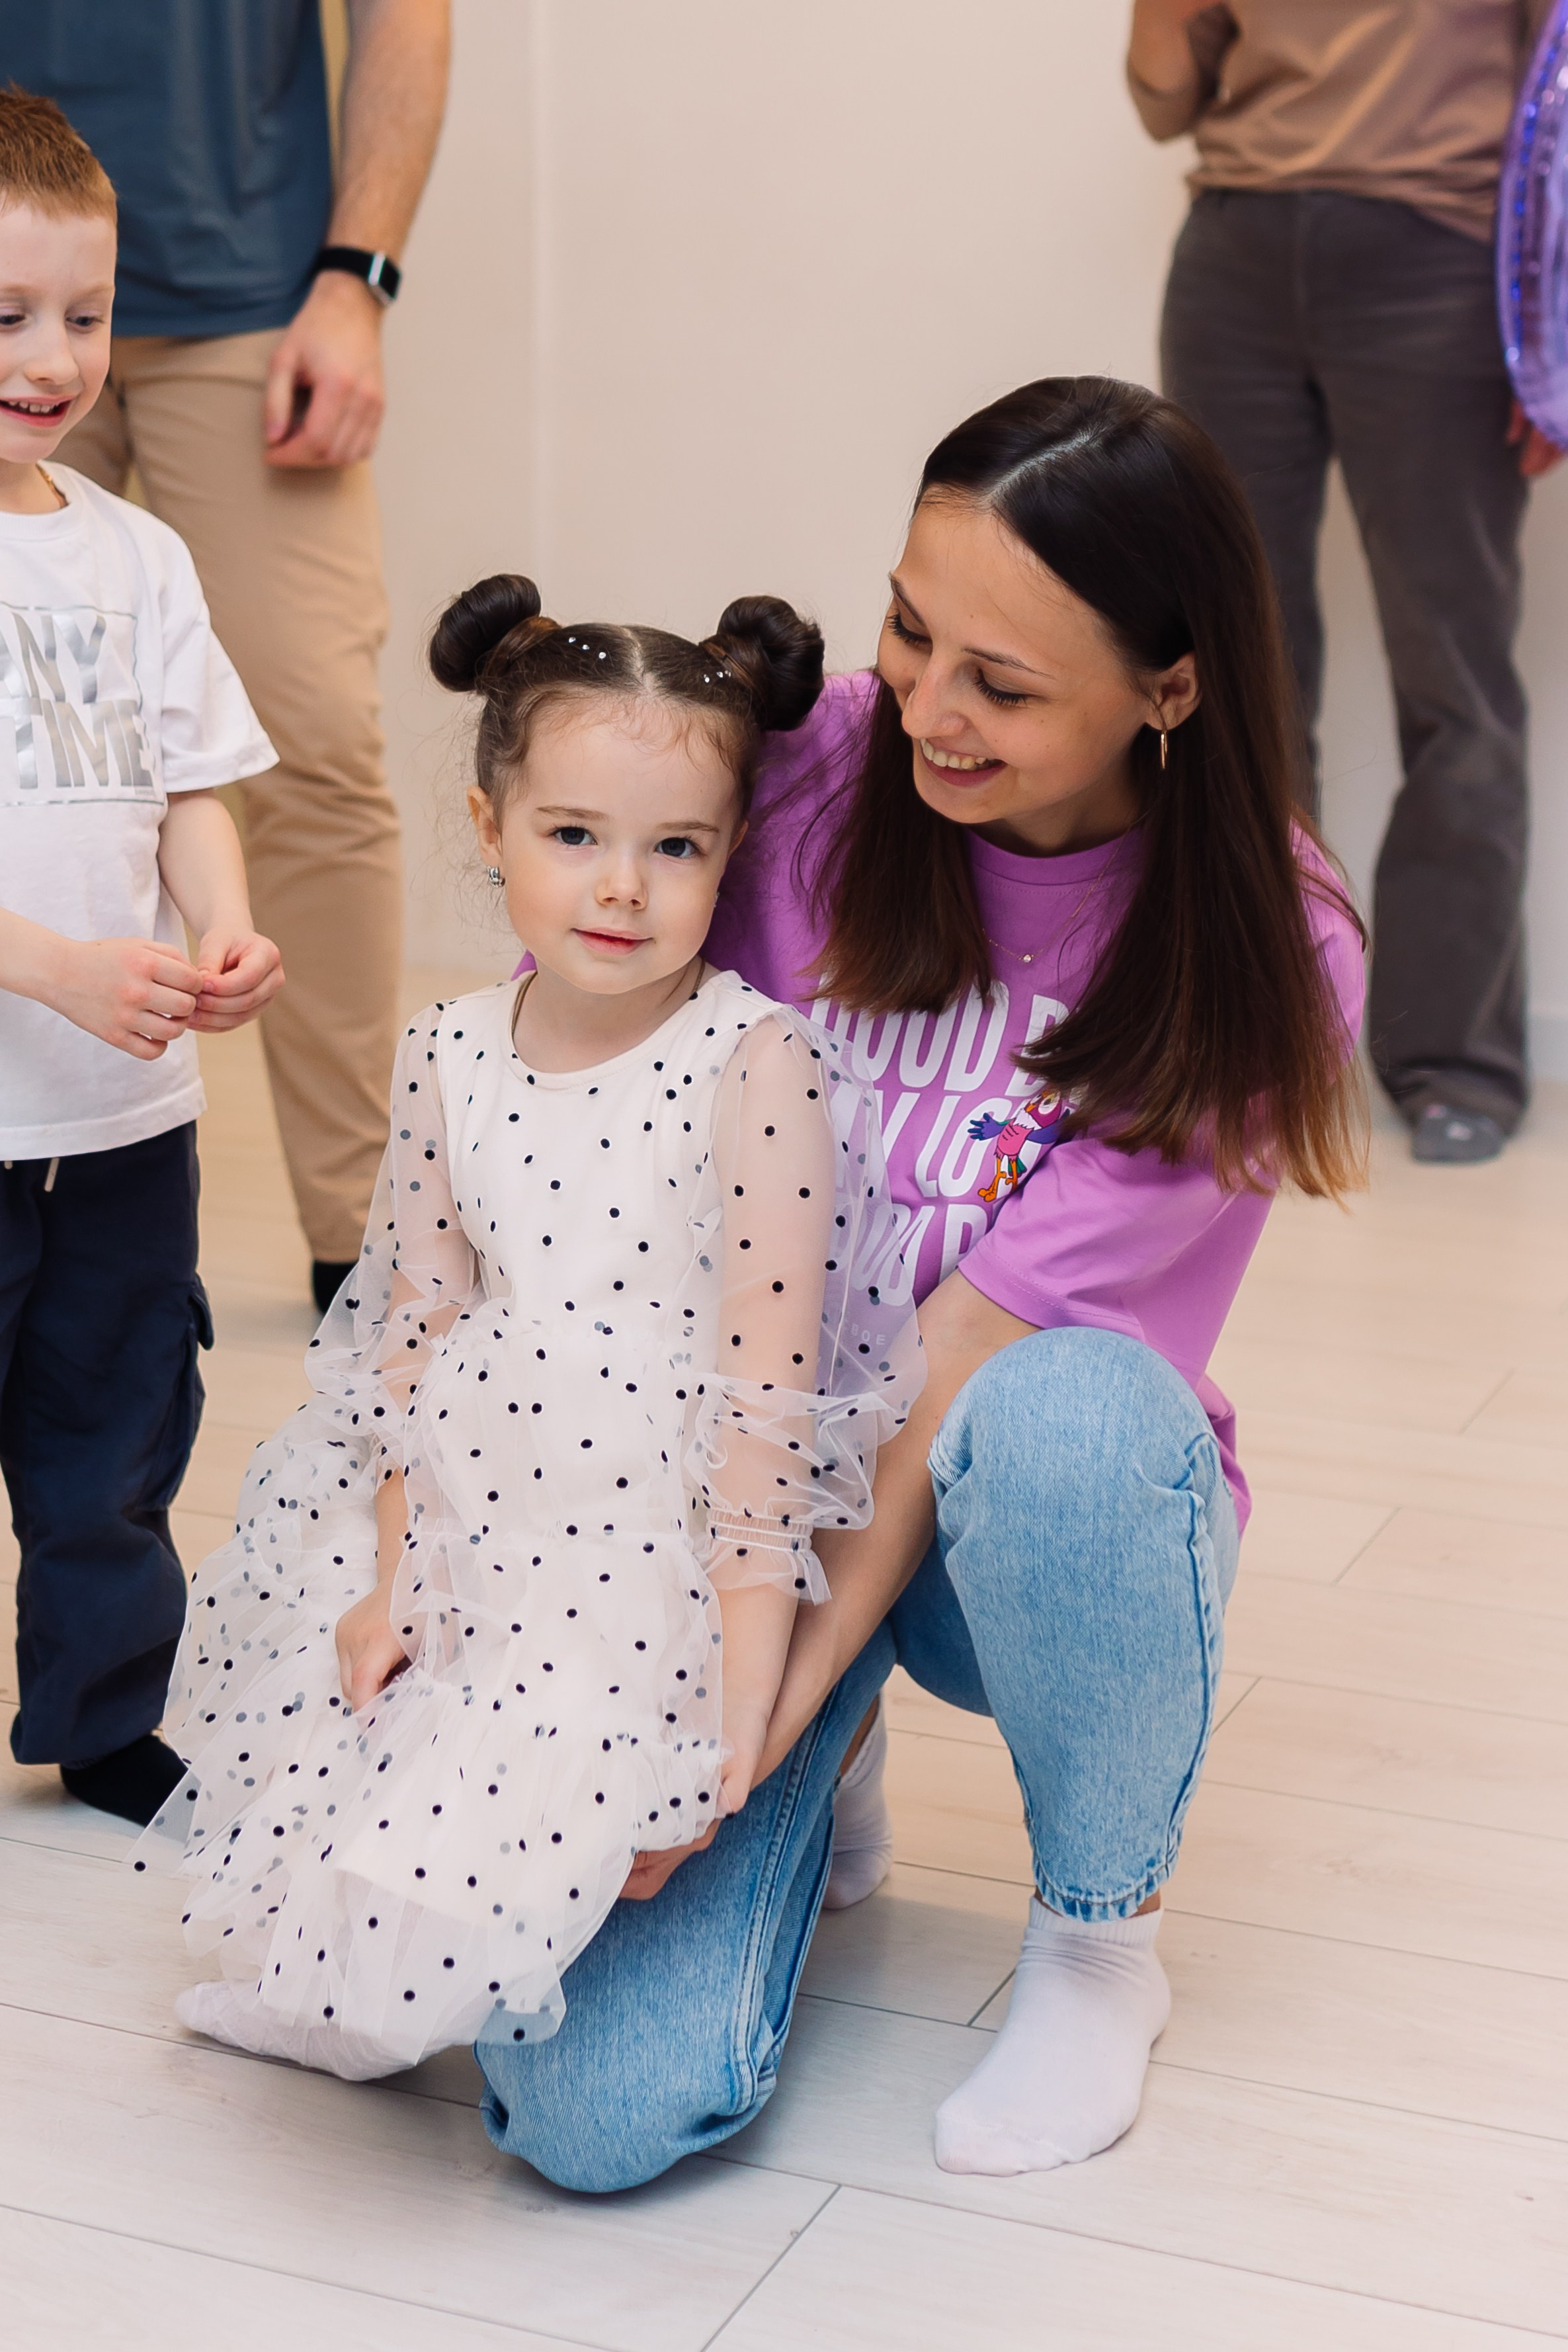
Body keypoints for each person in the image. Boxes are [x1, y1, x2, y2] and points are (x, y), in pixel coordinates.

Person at [473, 377, 1366, 2192]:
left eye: (1004, 685)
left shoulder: (1265, 946)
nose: (922, 713)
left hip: (994, 1524)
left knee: (1071, 1416)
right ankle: (827, 1783)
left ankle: (1098, 1937)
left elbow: (948, 1372)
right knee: (583, 2118)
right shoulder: (805, 766)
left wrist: (727, 1755)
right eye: (906, 628)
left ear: (1169, 686)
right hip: (733, 1489)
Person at [145, 575, 924, 2082]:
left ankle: (824, 1764)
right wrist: (389, 1577)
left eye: (674, 848)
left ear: (730, 852)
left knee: (529, 1910)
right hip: (469, 1515)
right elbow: (413, 1338)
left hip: (660, 1548)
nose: (621, 889)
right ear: (489, 821)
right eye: (574, 835)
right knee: (363, 1871)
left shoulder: (755, 1065)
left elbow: (772, 1415)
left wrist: (736, 1734)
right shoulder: (448, 1049)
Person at [4, 1, 452, 1302]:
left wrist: (357, 278)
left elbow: (404, 18)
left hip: (247, 286)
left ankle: (366, 1254)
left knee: (307, 746)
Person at [1128, 0, 1561, 1165]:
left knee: (1454, 673)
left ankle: (1451, 1055)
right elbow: (1164, 101)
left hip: (1442, 256)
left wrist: (1552, 324)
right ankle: (1256, 1037)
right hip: (1234, 257)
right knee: (1230, 674)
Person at [0, 93, 282, 1827]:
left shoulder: (136, 555)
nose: (52, 357)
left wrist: (220, 921)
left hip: (120, 1123)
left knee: (114, 1439)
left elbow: (189, 787)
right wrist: (47, 965)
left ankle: (105, 1715)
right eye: (5, 314)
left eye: (83, 316)